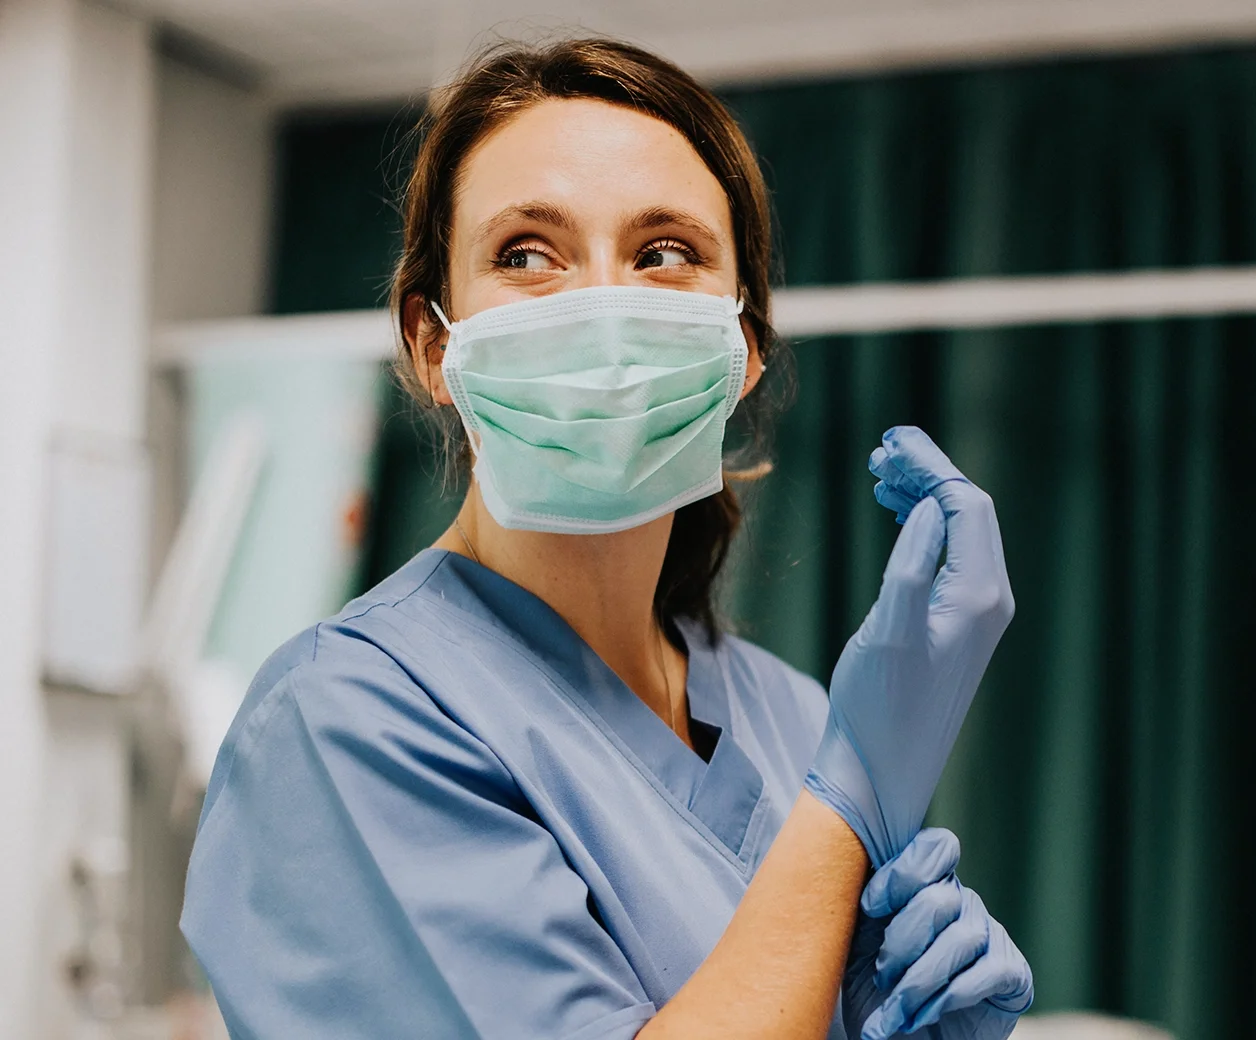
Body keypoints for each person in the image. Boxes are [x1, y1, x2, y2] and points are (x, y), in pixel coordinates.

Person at [181, 38, 1033, 1040]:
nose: (601, 305)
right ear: (431, 343)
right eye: (526, 253)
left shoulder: (793, 717)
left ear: (743, 347)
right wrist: (846, 800)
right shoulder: (342, 722)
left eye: (664, 252)